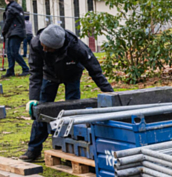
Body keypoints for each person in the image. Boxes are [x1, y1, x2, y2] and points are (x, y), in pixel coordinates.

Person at [21, 24, 114, 161]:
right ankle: (33, 150)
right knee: (41, 110)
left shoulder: (77, 47)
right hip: (49, 75)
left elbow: (95, 70)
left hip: (72, 74)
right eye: (43, 45)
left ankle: (72, 149)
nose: (44, 49)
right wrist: (33, 98)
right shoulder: (36, 43)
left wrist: (110, 93)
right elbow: (35, 72)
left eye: (48, 48)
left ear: (58, 46)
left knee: (73, 110)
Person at [1, 0, 28, 77]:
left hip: (15, 32)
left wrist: (3, 31)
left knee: (13, 52)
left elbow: (8, 21)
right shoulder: (18, 7)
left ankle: (26, 69)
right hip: (17, 32)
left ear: (6, 0)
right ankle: (10, 70)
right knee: (9, 52)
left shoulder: (11, 9)